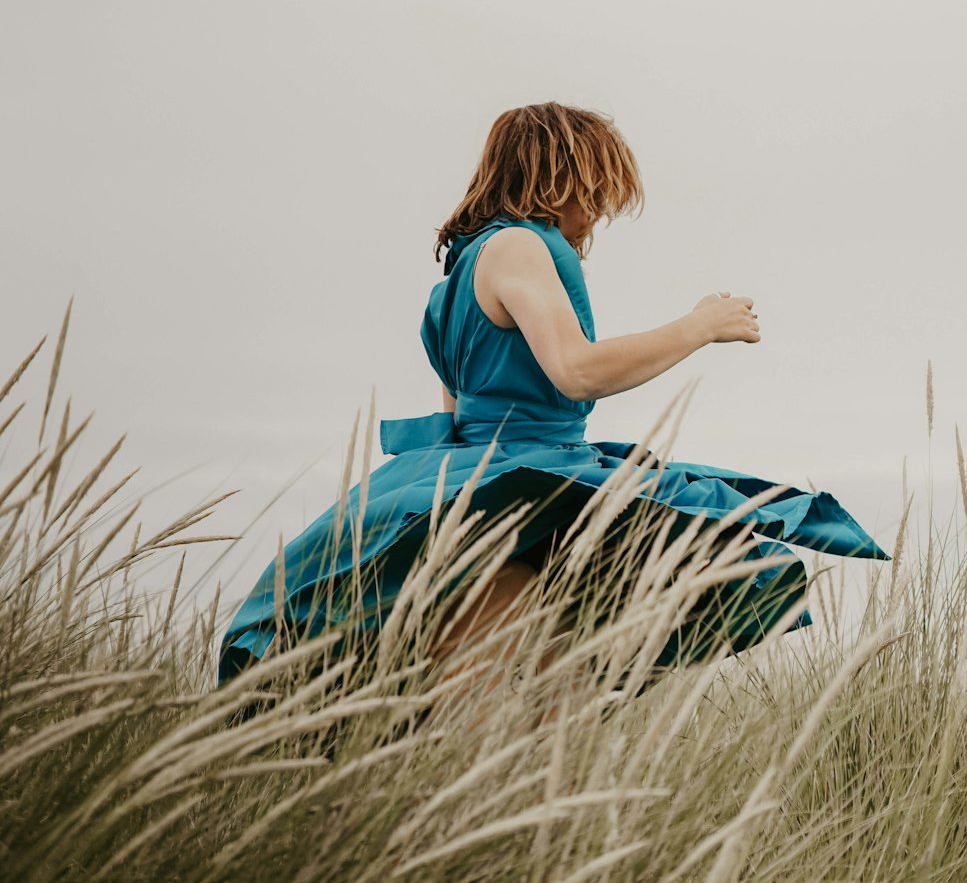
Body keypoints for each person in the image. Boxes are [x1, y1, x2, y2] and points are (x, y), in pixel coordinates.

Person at [217, 101, 888, 711]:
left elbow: (457, 416)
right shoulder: (521, 246)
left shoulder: (450, 285)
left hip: (473, 489)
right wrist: (699, 325)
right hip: (523, 485)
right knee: (521, 701)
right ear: (561, 177)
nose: (596, 213)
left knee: (512, 690)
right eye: (595, 191)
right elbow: (574, 370)